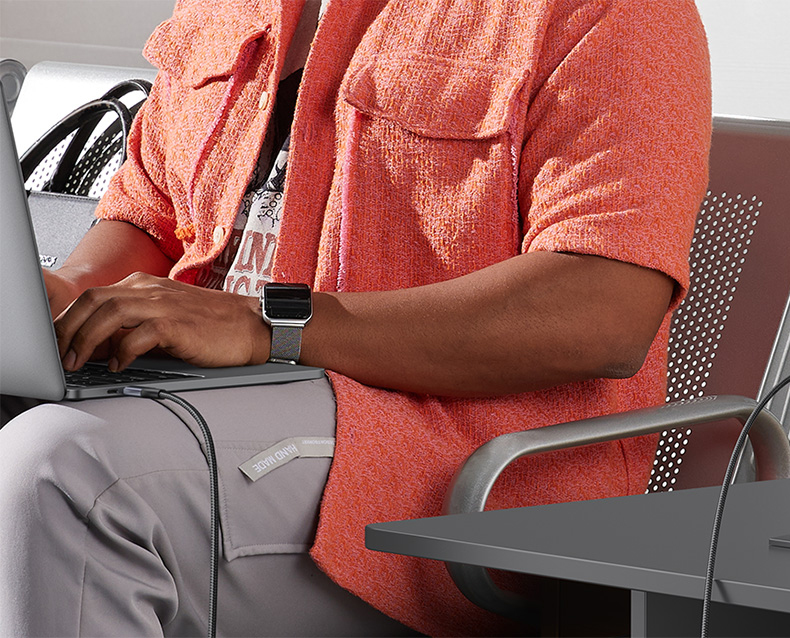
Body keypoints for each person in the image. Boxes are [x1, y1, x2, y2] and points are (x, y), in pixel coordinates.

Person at [0, 0, 711, 635]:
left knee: (71, 472)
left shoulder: (615, 11)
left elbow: (602, 312)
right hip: (202, 405)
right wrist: (53, 306)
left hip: (453, 463)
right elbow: (150, 222)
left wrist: (264, 326)